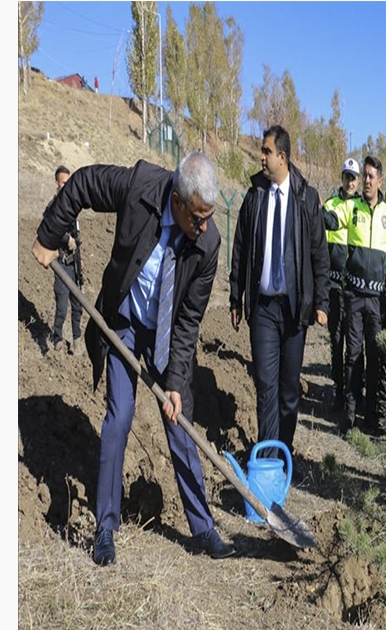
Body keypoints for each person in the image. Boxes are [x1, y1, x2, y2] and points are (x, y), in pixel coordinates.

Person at [32, 152, 235, 565]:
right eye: (196, 217)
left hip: (165, 336)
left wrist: (175, 382)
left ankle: (203, 528)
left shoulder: (208, 243)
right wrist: (50, 235)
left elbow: (189, 320)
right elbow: (85, 182)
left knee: (180, 422)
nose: (203, 226)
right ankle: (106, 526)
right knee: (119, 416)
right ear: (176, 200)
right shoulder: (141, 185)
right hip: (121, 321)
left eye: (208, 218)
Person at [229, 125, 330, 457]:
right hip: (263, 309)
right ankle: (268, 459)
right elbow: (240, 246)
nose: (261, 157)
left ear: (282, 157)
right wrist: (235, 295)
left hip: (294, 309)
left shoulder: (306, 197)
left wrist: (321, 302)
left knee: (288, 390)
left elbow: (319, 253)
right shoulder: (255, 195)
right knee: (265, 386)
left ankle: (284, 453)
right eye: (262, 151)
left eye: (267, 151)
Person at [325, 156, 386, 434]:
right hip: (354, 296)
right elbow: (332, 221)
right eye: (364, 176)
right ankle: (350, 416)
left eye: (371, 176)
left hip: (378, 301)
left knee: (374, 357)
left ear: (380, 181)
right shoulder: (351, 208)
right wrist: (313, 209)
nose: (366, 181)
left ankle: (371, 418)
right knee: (353, 356)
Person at [324, 158, 361, 411]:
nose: (350, 181)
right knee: (336, 341)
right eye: (347, 176)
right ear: (342, 178)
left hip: (356, 288)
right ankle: (338, 390)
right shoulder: (330, 205)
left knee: (355, 343)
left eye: (354, 177)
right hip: (335, 286)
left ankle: (353, 392)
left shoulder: (361, 207)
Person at [49, 165, 85, 354]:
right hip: (61, 263)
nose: (67, 186)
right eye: (64, 183)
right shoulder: (53, 206)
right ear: (57, 184)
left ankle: (77, 339)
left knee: (77, 304)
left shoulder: (72, 208)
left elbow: (77, 236)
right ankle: (57, 338)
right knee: (62, 305)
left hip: (74, 263)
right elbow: (51, 227)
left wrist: (80, 259)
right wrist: (66, 239)